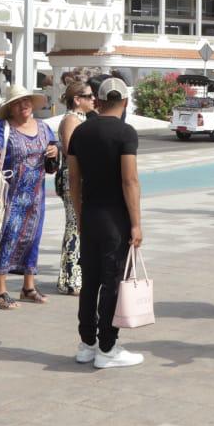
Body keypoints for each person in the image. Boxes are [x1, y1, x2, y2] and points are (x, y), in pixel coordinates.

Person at [68, 77, 145, 369]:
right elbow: (129, 179)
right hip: (116, 217)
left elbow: (74, 180)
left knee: (90, 280)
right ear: (124, 102)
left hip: (90, 213)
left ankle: (86, 343)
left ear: (97, 102)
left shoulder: (80, 131)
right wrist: (136, 223)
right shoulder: (126, 132)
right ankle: (107, 347)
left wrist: (79, 213)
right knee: (112, 281)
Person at [0, 84, 58, 309]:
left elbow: (54, 148)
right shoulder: (2, 129)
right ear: (10, 108)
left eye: (27, 101)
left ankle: (28, 287)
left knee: (32, 240)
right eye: (19, 103)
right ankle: (0, 292)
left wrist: (54, 151)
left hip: (35, 197)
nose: (25, 105)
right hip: (10, 196)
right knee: (5, 239)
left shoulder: (43, 127)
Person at [55, 80, 96, 295]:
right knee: (74, 226)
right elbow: (73, 152)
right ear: (77, 100)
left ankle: (74, 277)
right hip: (73, 177)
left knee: (79, 226)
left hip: (80, 177)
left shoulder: (83, 118)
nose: (93, 99)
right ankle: (70, 279)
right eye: (88, 96)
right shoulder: (71, 119)